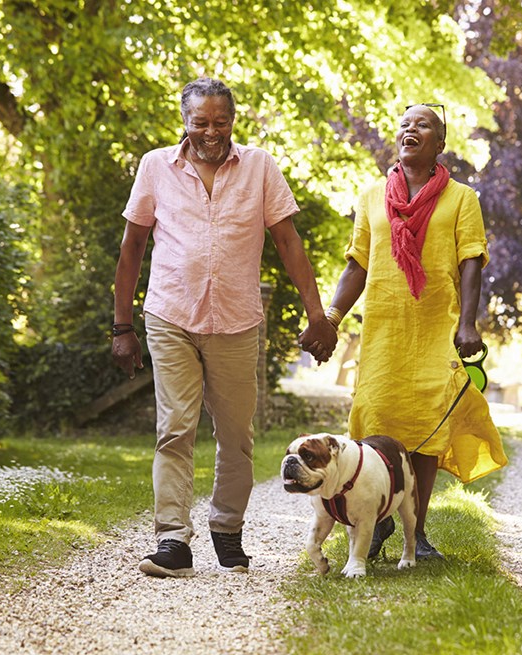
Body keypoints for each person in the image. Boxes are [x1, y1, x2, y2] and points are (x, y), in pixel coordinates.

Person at [112, 78, 337, 578]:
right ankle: (173, 540)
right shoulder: (155, 167)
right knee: (174, 430)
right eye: (201, 123)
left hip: (236, 321)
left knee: (236, 436)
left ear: (233, 121)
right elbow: (132, 247)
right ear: (185, 123)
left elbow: (287, 241)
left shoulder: (259, 167)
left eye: (221, 122)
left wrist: (316, 314)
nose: (211, 132)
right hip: (170, 315)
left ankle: (227, 528)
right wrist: (121, 325)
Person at [324, 103, 507, 560]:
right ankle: (377, 520)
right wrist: (330, 318)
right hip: (384, 328)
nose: (411, 130)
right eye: (405, 124)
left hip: (433, 327)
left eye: (423, 125)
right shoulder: (370, 197)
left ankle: (416, 533)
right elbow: (357, 265)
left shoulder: (462, 198)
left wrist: (467, 323)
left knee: (426, 429)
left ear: (439, 143)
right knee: (375, 419)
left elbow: (471, 262)